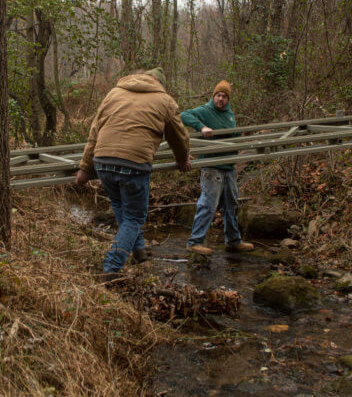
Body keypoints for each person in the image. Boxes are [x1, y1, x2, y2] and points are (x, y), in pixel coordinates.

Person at [76, 67, 191, 280]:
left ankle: (139, 251)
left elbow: (95, 131)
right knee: (135, 217)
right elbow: (179, 136)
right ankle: (111, 268)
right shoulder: (164, 100)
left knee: (122, 209)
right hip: (134, 164)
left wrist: (85, 167)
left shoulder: (114, 93)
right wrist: (183, 160)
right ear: (160, 83)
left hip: (102, 162)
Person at [180, 80, 254, 255]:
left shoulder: (230, 115)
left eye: (224, 96)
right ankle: (195, 242)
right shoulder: (205, 111)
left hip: (228, 166)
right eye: (218, 95)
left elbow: (234, 136)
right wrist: (202, 126)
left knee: (231, 204)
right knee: (208, 204)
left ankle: (233, 241)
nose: (220, 99)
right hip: (211, 166)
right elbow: (183, 115)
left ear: (228, 99)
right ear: (213, 96)